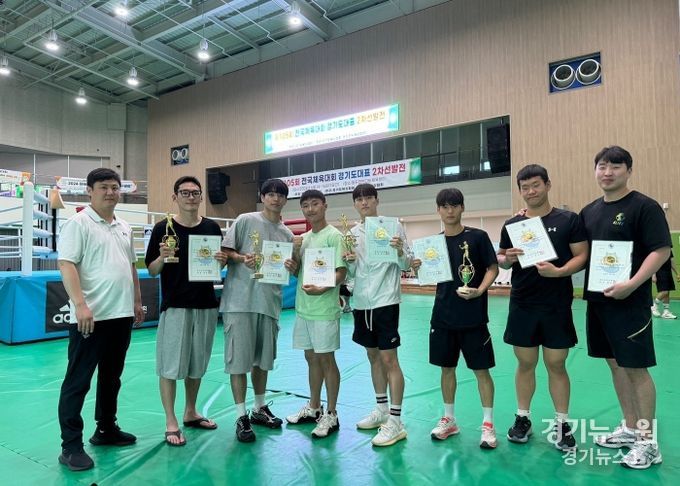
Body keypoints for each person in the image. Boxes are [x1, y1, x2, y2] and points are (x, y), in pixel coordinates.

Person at [580, 146, 671, 470]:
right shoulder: (589, 211)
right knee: (615, 365)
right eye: (602, 166)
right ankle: (630, 427)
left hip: (630, 303)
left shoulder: (644, 207)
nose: (608, 172)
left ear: (628, 171)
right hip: (598, 301)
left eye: (615, 166)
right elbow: (574, 248)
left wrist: (632, 283)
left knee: (635, 368)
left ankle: (648, 442)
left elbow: (661, 250)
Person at [56, 168, 144, 471]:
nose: (110, 192)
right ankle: (70, 446)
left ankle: (106, 428)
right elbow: (66, 264)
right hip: (90, 319)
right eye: (104, 187)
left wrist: (136, 301)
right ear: (90, 191)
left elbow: (130, 266)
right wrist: (80, 305)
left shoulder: (124, 226)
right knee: (78, 382)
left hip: (121, 316)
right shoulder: (78, 223)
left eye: (115, 187)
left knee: (111, 378)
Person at [497, 164, 588, 450]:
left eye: (536, 185)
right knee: (525, 363)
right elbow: (501, 259)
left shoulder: (568, 219)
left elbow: (582, 255)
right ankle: (522, 417)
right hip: (522, 303)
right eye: (525, 187)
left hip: (556, 305)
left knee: (556, 364)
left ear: (548, 185)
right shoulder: (513, 224)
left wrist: (560, 272)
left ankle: (562, 423)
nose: (530, 191)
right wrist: (508, 258)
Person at [412, 188, 499, 449]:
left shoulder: (478, 237)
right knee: (446, 369)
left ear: (462, 207)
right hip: (443, 317)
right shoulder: (432, 245)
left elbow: (493, 268)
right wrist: (418, 267)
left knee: (481, 371)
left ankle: (488, 424)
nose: (449, 211)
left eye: (454, 205)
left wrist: (479, 290)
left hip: (473, 317)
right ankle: (449, 419)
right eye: (445, 206)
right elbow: (428, 277)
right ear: (438, 210)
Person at [145, 176, 228, 446]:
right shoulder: (163, 228)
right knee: (170, 366)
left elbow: (216, 266)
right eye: (185, 193)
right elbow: (152, 270)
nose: (190, 197)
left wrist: (222, 260)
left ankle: (191, 411)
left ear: (201, 196)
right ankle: (171, 420)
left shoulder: (212, 228)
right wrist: (162, 256)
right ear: (175, 197)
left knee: (197, 364)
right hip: (175, 306)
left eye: (195, 193)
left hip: (205, 305)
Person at [219, 178, 297, 442]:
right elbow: (226, 252)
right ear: (262, 197)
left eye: (280, 195)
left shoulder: (287, 235)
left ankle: (259, 408)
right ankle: (241, 415)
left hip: (269, 303)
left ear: (285, 199)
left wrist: (292, 266)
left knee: (263, 361)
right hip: (240, 302)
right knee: (239, 361)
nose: (275, 198)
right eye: (270, 194)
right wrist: (243, 258)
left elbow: (292, 268)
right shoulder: (245, 220)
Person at [342, 183, 412, 447]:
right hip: (362, 302)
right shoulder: (351, 234)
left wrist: (399, 250)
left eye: (368, 198)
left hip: (386, 301)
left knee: (389, 359)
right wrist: (349, 261)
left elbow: (407, 264)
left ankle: (396, 420)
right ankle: (381, 409)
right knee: (372, 357)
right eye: (359, 199)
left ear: (376, 200)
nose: (364, 203)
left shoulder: (393, 227)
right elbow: (351, 273)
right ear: (355, 204)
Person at [286, 190, 347, 439]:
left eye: (315, 204)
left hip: (324, 310)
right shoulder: (303, 239)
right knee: (310, 358)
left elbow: (341, 272)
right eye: (305, 205)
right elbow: (299, 273)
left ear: (324, 206)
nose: (310, 209)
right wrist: (292, 265)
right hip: (304, 309)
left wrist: (323, 287)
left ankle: (331, 413)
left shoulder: (335, 236)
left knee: (326, 360)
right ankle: (314, 407)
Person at [651, 252, 678, 319]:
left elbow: (671, 261)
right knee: (664, 291)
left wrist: (677, 273)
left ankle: (666, 312)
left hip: (668, 272)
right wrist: (653, 274)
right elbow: (653, 261)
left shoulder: (669, 249)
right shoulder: (658, 248)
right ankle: (654, 306)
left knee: (667, 293)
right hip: (659, 272)